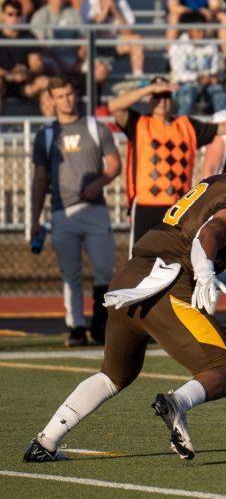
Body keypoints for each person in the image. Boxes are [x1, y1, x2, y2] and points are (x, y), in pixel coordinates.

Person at [21, 136, 226, 464]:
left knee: (114, 374)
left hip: (131, 277)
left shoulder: (218, 183)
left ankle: (46, 441)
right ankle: (177, 403)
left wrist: (225, 277)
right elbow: (206, 235)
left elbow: (185, 238)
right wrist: (207, 272)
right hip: (163, 287)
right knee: (225, 371)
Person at [108, 79, 226, 243]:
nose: (162, 101)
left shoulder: (186, 126)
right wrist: (148, 88)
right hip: (146, 205)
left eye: (166, 95)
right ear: (150, 99)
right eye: (157, 95)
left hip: (178, 206)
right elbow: (114, 106)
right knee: (139, 261)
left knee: (175, 260)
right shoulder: (139, 123)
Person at [28, 78, 120, 347]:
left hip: (95, 209)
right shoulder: (45, 135)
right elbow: (39, 179)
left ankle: (100, 324)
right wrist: (34, 219)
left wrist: (98, 184)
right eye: (61, 95)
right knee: (71, 273)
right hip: (61, 212)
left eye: (70, 93)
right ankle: (76, 326)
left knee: (104, 269)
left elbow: (114, 165)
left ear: (75, 94)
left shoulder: (95, 127)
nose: (67, 99)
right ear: (52, 100)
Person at [82, 0, 145, 79]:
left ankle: (138, 77)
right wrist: (104, 12)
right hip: (95, 42)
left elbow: (128, 31)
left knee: (136, 39)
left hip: (114, 41)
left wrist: (115, 10)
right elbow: (89, 29)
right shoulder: (90, 0)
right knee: (85, 40)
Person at [168, 11, 226, 115]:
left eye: (203, 30)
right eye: (198, 30)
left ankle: (225, 123)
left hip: (208, 85)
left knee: (217, 90)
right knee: (188, 92)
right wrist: (196, 77)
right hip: (185, 85)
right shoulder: (178, 47)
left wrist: (212, 77)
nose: (202, 34)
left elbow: (215, 67)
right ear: (189, 30)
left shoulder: (211, 45)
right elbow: (178, 74)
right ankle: (181, 125)